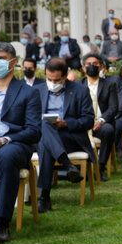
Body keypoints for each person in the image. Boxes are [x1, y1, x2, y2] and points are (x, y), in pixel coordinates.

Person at [0, 43, 42, 243]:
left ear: (13, 62)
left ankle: (2, 224)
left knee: (6, 156)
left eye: (0, 58)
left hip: (13, 145)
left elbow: (34, 131)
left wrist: (2, 141)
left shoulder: (28, 92)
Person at [36, 58, 96, 213]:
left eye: (57, 80)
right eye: (49, 79)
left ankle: (45, 197)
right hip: (43, 135)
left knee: (45, 142)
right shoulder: (38, 90)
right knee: (44, 128)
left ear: (65, 76)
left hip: (70, 137)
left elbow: (89, 120)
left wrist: (66, 123)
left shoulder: (80, 91)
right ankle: (69, 166)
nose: (53, 82)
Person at [79, 52, 117, 180]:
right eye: (89, 64)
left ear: (101, 66)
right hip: (82, 123)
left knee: (108, 130)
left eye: (95, 64)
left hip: (101, 124)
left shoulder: (109, 85)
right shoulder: (78, 85)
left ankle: (100, 167)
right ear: (84, 68)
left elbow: (113, 107)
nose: (92, 66)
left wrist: (100, 121)